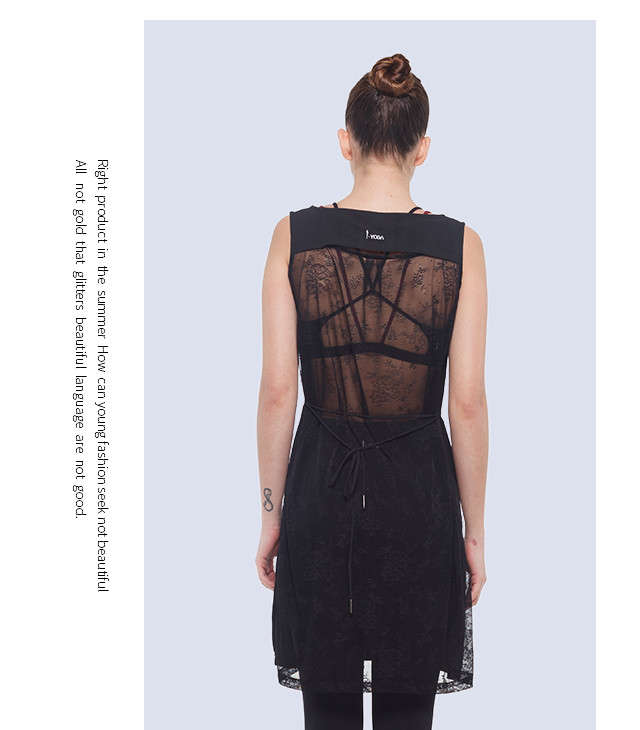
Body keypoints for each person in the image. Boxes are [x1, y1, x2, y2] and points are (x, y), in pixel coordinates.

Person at [256, 52, 488, 730]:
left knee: (326, 712)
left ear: (345, 140)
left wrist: (271, 515)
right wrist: (474, 533)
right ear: (423, 149)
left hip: (319, 492)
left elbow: (278, 392)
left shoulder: (294, 236)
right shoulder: (460, 247)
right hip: (421, 500)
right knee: (409, 713)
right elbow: (466, 403)